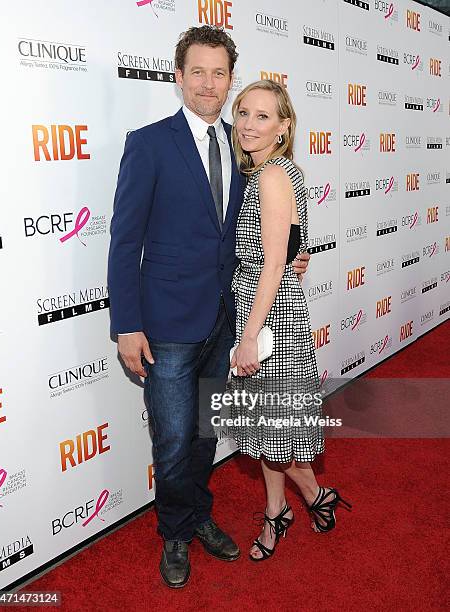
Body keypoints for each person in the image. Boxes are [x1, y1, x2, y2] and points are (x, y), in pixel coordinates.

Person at [107, 27, 310, 588]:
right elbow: (125, 240)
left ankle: (199, 516)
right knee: (171, 439)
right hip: (168, 325)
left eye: (219, 73)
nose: (207, 83)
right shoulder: (148, 143)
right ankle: (175, 532)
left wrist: (296, 253)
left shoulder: (245, 147)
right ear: (178, 77)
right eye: (197, 71)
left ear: (229, 82)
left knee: (203, 434)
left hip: (227, 321)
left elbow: (265, 226)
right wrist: (126, 325)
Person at [228, 80, 351, 562]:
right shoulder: (284, 172)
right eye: (243, 113)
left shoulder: (271, 177)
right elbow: (297, 248)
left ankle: (310, 498)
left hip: (269, 315)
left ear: (284, 127)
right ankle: (279, 508)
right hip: (272, 309)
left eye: (262, 116)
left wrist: (248, 337)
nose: (248, 124)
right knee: (269, 429)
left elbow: (274, 265)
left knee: (272, 430)